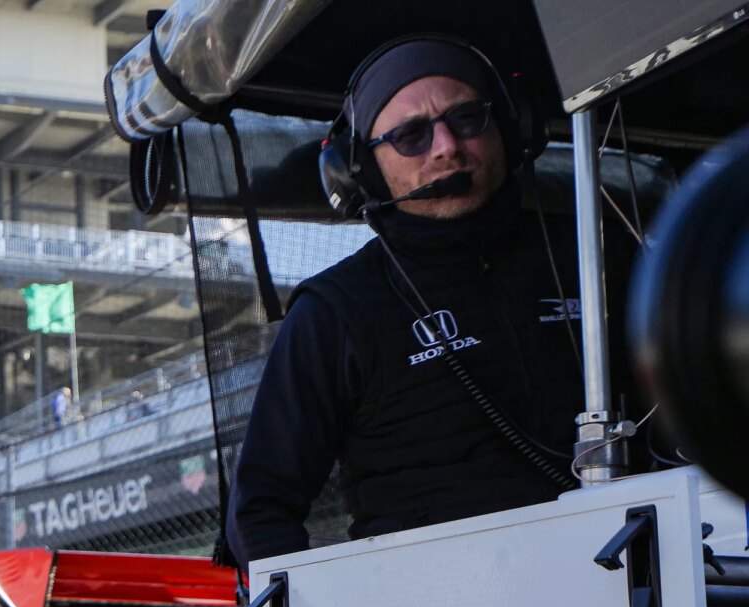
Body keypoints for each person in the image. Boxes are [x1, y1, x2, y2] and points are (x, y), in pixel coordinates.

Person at [226, 36, 645, 568]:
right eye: (411, 136)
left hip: (633, 587)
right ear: (359, 170)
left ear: (509, 125)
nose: (446, 146)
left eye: (467, 118)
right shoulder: (333, 311)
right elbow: (259, 511)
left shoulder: (600, 252)